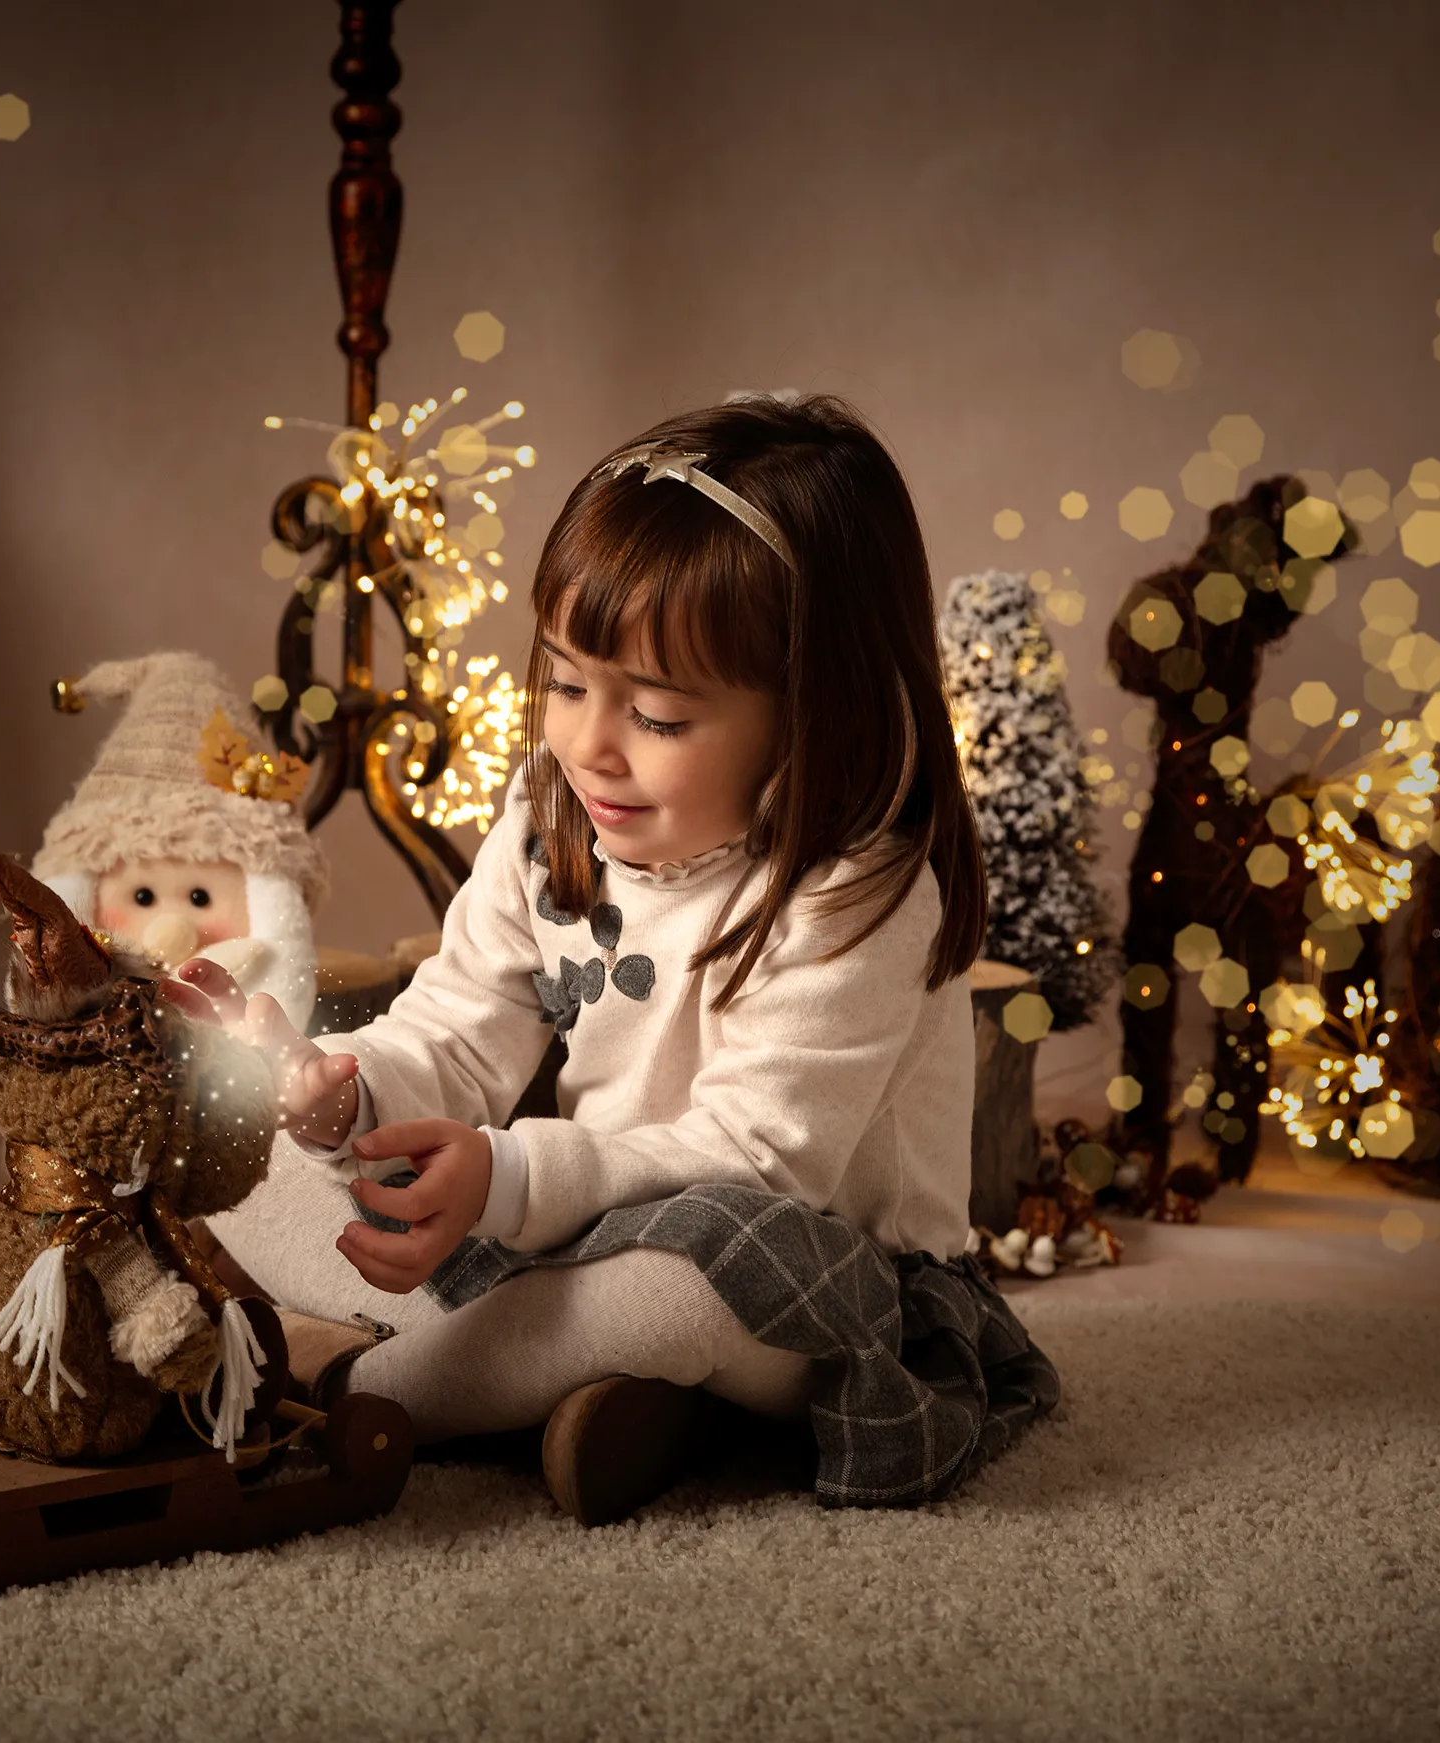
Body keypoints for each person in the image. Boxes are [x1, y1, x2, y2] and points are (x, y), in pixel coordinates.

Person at [175, 393, 1058, 1523]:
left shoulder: (856, 890)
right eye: (563, 683)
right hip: (577, 1216)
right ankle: (556, 1379)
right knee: (219, 1133)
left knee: (681, 1288)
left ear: (809, 716)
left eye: (657, 715)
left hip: (806, 1263)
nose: (587, 743)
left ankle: (364, 1379)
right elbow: (452, 1030)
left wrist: (506, 1180)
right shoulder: (557, 813)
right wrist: (336, 1095)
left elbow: (759, 1160)